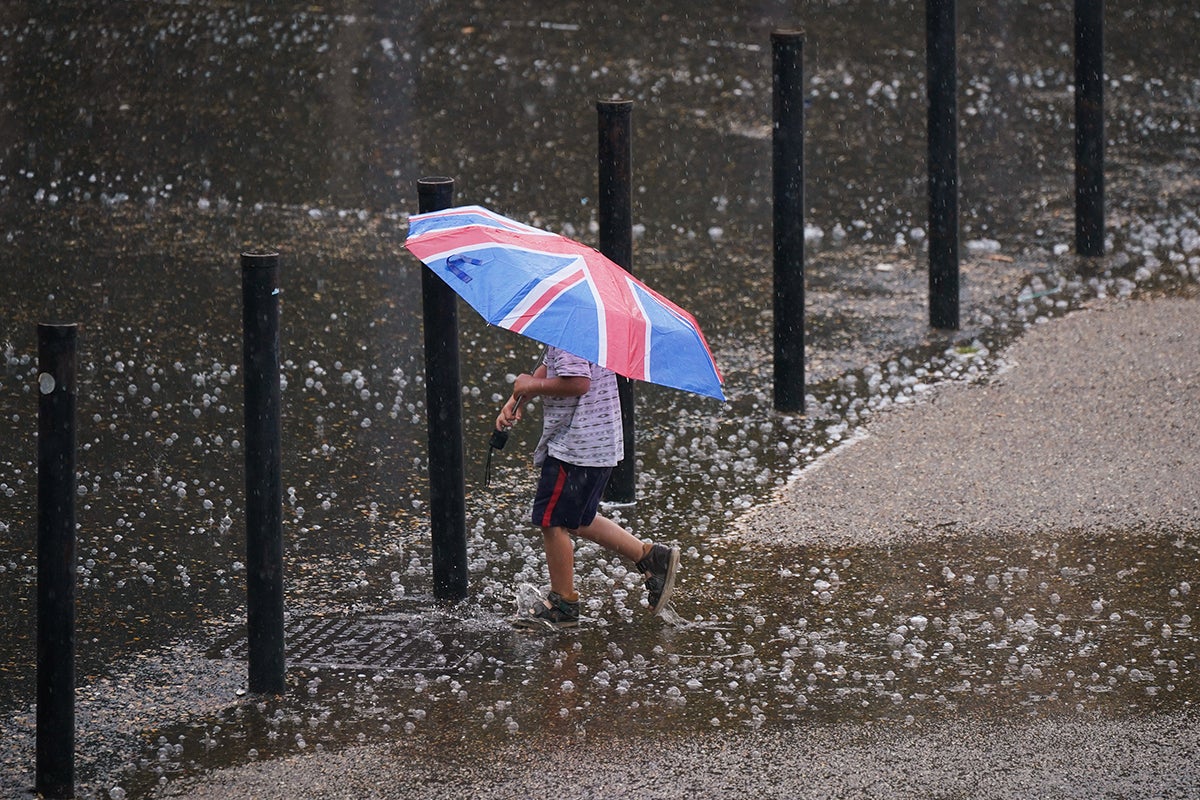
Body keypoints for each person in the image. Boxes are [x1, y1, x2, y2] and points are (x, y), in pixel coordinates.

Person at [495, 345, 680, 630]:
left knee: (553, 520)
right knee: (579, 518)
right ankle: (650, 558)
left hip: (575, 447)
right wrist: (518, 396)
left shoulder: (572, 332)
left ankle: (562, 603)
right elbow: (552, 365)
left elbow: (579, 383)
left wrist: (530, 383)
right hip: (595, 444)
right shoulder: (582, 329)